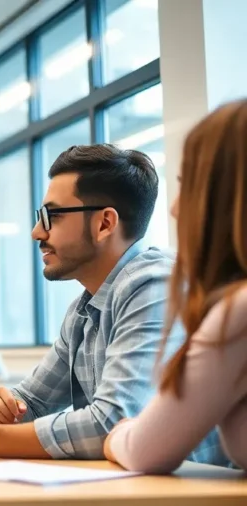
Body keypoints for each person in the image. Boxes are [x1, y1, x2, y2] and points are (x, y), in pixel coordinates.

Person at [0, 144, 226, 466]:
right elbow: (32, 401)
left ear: (105, 224)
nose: (37, 232)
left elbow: (112, 421)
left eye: (51, 217)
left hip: (196, 500)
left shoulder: (155, 286)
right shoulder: (85, 308)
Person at [104, 100, 247, 474]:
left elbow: (144, 450)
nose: (174, 208)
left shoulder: (239, 311)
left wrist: (118, 433)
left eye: (187, 185)